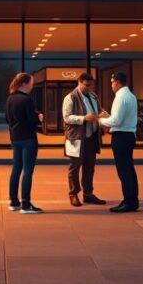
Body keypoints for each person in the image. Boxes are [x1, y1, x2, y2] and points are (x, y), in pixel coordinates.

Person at [61, 72, 107, 207]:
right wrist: (83, 118)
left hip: (92, 137)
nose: (88, 87)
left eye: (90, 85)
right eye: (86, 85)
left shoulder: (93, 96)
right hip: (76, 138)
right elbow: (66, 117)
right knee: (74, 167)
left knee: (90, 167)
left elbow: (99, 110)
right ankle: (73, 194)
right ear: (79, 82)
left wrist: (103, 115)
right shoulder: (70, 97)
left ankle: (88, 194)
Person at [97, 72, 140, 213]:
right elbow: (120, 118)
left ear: (117, 82)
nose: (111, 85)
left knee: (124, 171)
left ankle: (129, 202)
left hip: (121, 136)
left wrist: (100, 120)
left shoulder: (120, 97)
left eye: (112, 82)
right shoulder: (131, 96)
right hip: (129, 135)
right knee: (129, 169)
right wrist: (109, 117)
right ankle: (132, 200)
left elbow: (116, 121)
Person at [5, 72, 43, 214]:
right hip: (28, 138)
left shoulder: (10, 99)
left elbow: (7, 119)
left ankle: (14, 202)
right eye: (31, 83)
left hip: (15, 138)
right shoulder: (26, 100)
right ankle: (26, 204)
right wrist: (39, 117)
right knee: (28, 170)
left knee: (16, 169)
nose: (32, 86)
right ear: (24, 84)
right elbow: (31, 119)